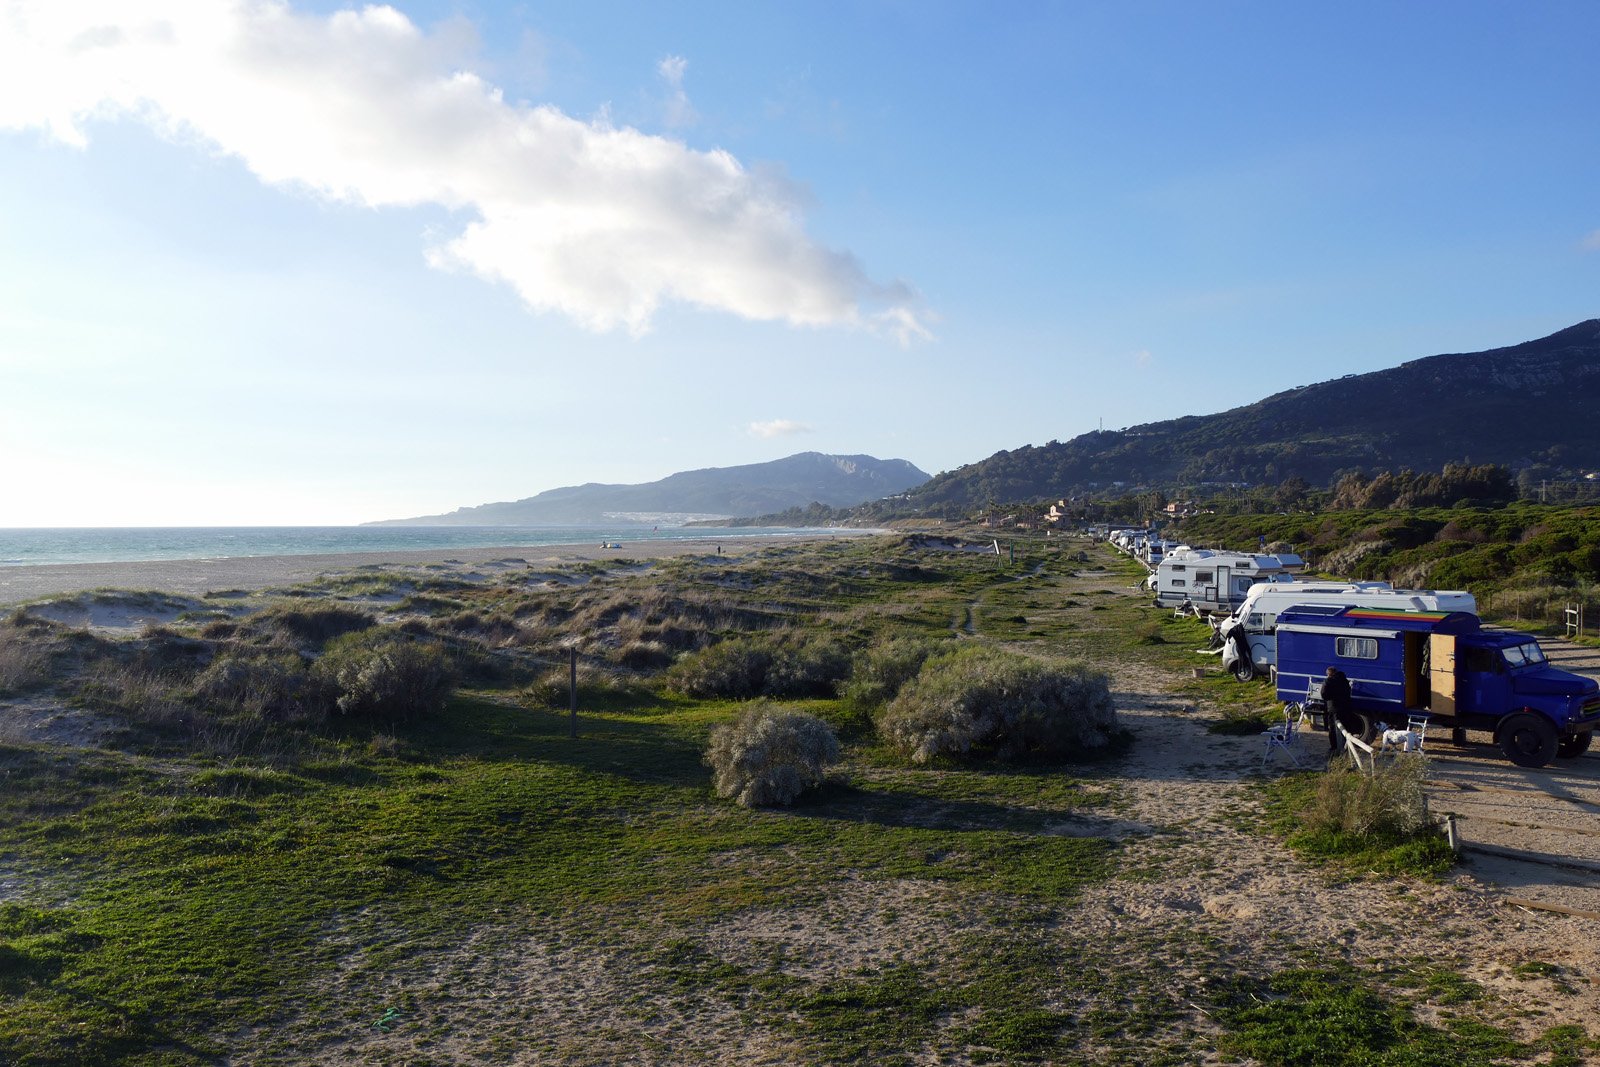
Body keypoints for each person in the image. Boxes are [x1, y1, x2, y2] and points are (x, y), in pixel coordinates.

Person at [1323, 666, 1352, 756]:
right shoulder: (1345, 680)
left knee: (1333, 729)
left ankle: (1334, 748)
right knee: (1345, 728)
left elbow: (1324, 694)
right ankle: (1345, 747)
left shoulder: (1328, 681)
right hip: (1345, 707)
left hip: (1334, 708)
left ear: (1328, 674)